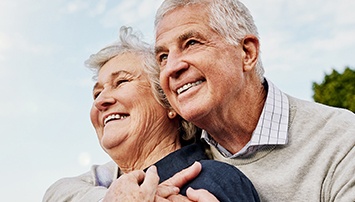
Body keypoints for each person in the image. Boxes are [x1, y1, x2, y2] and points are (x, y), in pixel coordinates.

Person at [152, 0, 355, 201]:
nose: (171, 68)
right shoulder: (178, 152)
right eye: (163, 56)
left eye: (192, 43)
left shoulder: (343, 140)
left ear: (247, 53)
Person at [43, 26, 260, 202]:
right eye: (97, 93)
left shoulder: (210, 180)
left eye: (121, 82)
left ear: (170, 104)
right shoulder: (98, 186)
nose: (100, 101)